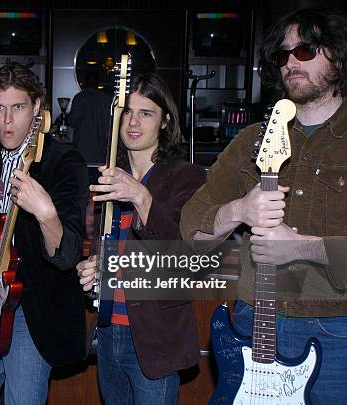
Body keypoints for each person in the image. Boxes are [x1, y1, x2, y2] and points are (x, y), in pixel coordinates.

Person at [180, 7, 347, 403]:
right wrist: (239, 210)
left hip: (333, 329)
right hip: (251, 323)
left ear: (337, 56)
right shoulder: (253, 139)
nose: (291, 61)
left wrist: (305, 247)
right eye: (282, 54)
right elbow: (192, 230)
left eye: (305, 50)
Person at [0, 63, 89, 404]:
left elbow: (68, 253)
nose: (7, 121)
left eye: (18, 107)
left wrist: (46, 213)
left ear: (38, 109)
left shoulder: (63, 161)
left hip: (35, 311)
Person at [75, 72, 205, 404]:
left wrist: (141, 197)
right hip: (107, 332)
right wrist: (92, 268)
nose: (133, 122)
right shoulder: (107, 179)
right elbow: (101, 250)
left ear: (165, 122)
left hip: (154, 338)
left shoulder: (185, 177)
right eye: (127, 113)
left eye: (146, 113)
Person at [70, 71, 114, 164]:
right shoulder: (107, 99)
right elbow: (110, 124)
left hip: (82, 147)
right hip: (102, 148)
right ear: (97, 82)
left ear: (85, 82)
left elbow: (72, 121)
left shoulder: (79, 98)